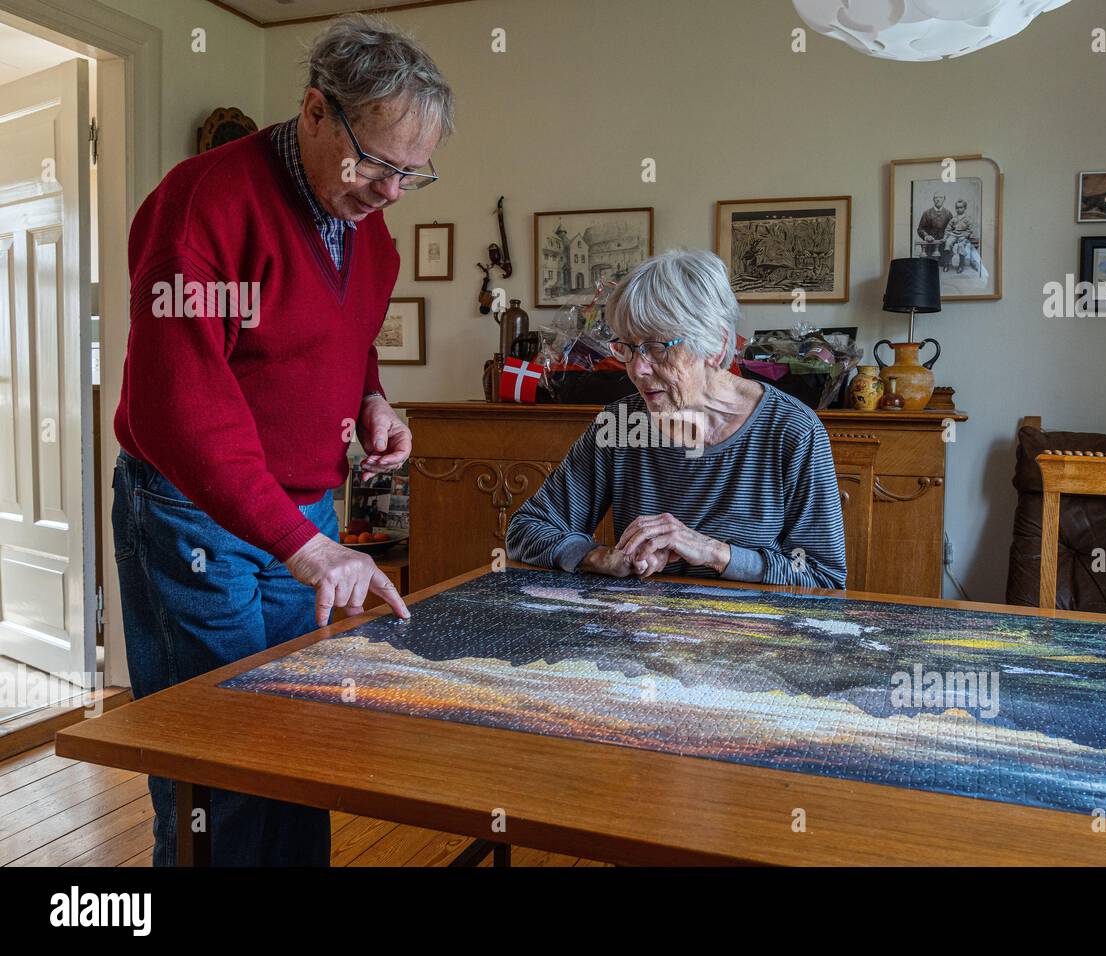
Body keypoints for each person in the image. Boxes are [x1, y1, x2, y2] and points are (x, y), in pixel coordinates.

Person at [112, 14, 452, 866]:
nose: (392, 192)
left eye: (415, 174)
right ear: (313, 109)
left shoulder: (366, 229)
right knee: (220, 767)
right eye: (377, 162)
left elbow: (349, 339)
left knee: (297, 746)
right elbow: (177, 410)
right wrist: (305, 545)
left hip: (297, 517)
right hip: (195, 518)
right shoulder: (206, 204)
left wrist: (373, 400)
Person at [506, 250, 846, 590]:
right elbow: (526, 529)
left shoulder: (791, 431)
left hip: (750, 633)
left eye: (658, 347)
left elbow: (822, 577)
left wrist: (713, 552)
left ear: (715, 346)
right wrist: (604, 558)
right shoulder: (621, 425)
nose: (637, 369)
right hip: (640, 628)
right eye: (628, 347)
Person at [943, 198, 981, 274]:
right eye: (957, 208)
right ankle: (946, 264)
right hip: (954, 234)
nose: (958, 209)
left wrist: (965, 235)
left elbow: (971, 229)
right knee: (948, 244)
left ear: (965, 208)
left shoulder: (967, 219)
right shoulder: (954, 219)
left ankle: (961, 265)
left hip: (963, 235)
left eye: (961, 207)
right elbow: (948, 228)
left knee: (961, 246)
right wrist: (945, 237)